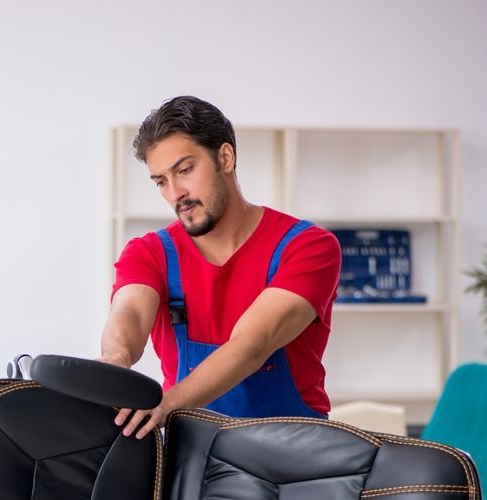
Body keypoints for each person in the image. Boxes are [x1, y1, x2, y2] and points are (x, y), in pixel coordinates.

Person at [100, 96, 342, 439]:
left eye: (184, 170)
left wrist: (166, 405)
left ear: (225, 158)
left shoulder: (307, 247)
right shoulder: (149, 253)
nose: (175, 194)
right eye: (161, 181)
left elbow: (253, 345)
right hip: (191, 451)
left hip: (296, 455)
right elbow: (130, 315)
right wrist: (114, 360)